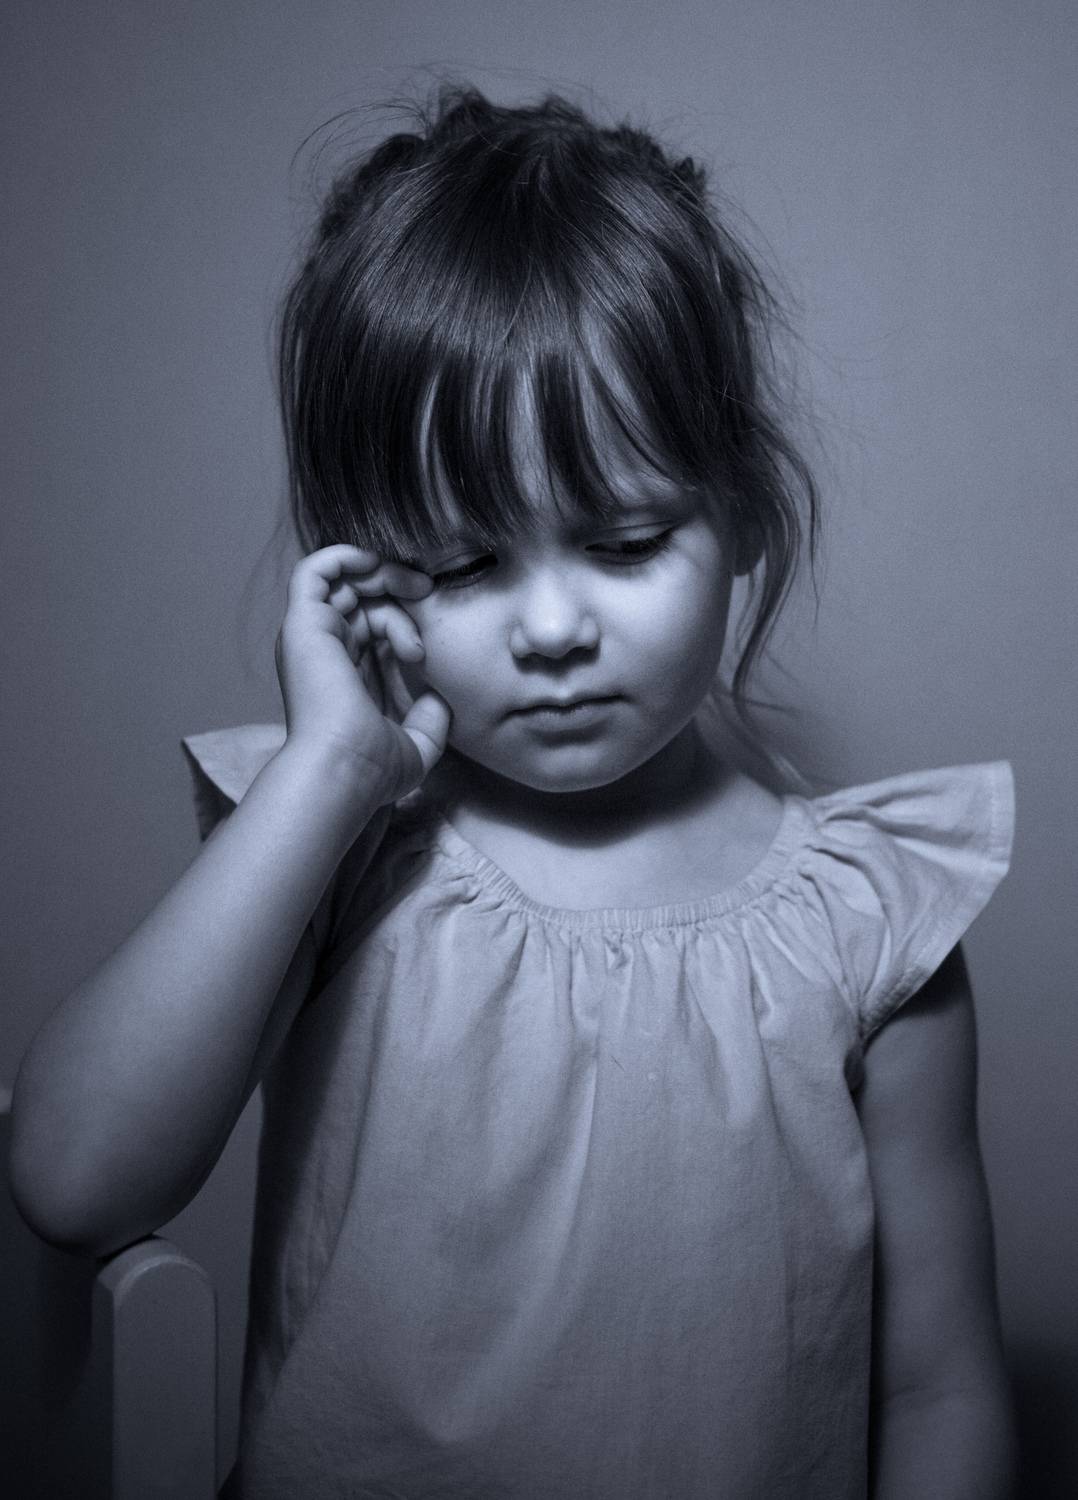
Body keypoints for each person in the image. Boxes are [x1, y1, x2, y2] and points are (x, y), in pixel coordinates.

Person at [9, 84, 1017, 1498]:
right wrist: (327, 770)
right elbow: (72, 1180)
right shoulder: (336, 844)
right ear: (364, 569)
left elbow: (938, 1387)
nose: (550, 630)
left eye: (624, 540)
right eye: (463, 564)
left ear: (741, 514)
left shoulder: (874, 923)